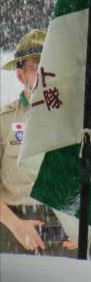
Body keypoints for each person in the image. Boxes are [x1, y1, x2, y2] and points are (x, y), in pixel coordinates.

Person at [0, 29, 75, 256]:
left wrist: (86, 225)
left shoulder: (76, 122)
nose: (44, 73)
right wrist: (15, 224)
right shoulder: (4, 121)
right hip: (14, 234)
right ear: (21, 75)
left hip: (67, 237)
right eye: (35, 66)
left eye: (49, 64)